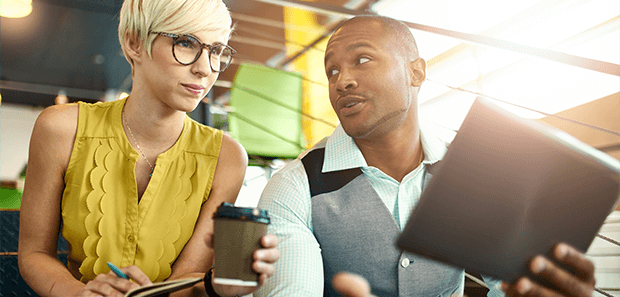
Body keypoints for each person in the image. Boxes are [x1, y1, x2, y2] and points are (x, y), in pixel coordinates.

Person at [255, 15, 597, 297]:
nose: (342, 80)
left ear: (416, 72)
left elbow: (511, 286)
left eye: (362, 60)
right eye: (331, 71)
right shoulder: (293, 188)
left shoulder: (471, 175)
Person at [18, 0, 279, 296]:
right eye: (186, 43)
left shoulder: (227, 158)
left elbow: (185, 280)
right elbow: (34, 254)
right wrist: (79, 294)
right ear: (134, 43)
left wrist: (215, 284)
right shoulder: (61, 128)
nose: (205, 69)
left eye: (216, 51)